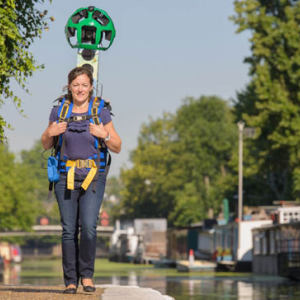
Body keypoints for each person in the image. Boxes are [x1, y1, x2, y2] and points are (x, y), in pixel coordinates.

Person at [41, 66, 121, 294]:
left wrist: (103, 134)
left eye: (84, 85)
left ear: (91, 87)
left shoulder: (101, 112)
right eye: (76, 85)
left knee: (88, 227)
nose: (80, 89)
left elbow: (117, 146)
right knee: (68, 230)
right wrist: (51, 131)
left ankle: (86, 276)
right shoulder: (59, 111)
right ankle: (70, 280)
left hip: (94, 176)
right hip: (65, 176)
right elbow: (45, 144)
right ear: (69, 87)